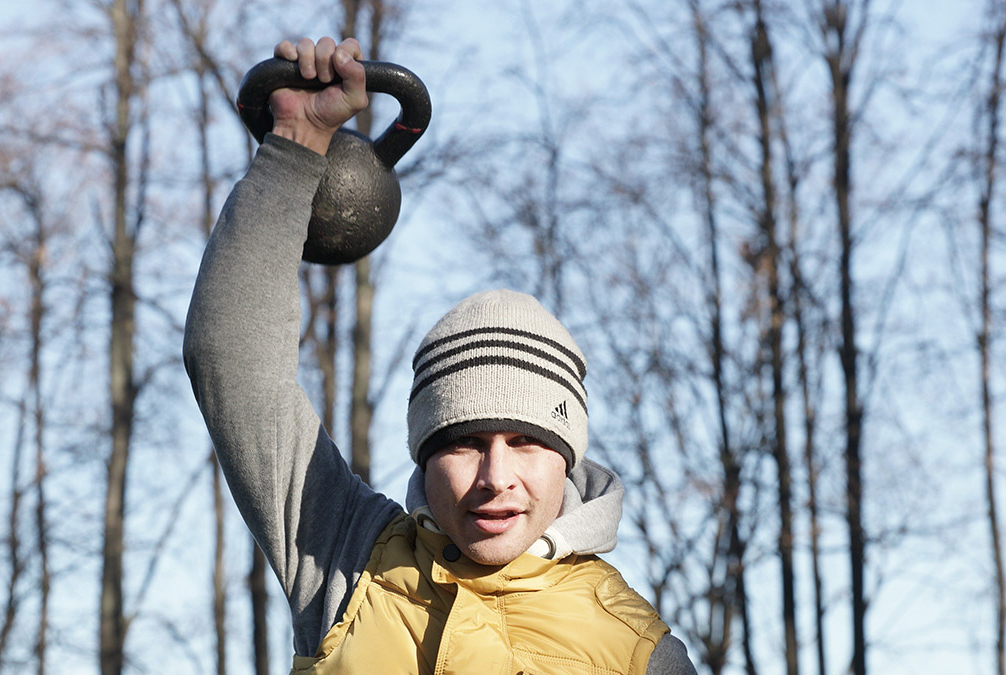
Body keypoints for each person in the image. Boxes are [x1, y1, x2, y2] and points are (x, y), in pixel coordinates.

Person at [183, 36, 696, 674]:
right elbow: (232, 360)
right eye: (463, 442)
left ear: (568, 460)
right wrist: (293, 146)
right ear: (423, 456)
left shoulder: (638, 651)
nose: (495, 477)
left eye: (527, 442)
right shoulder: (344, 558)